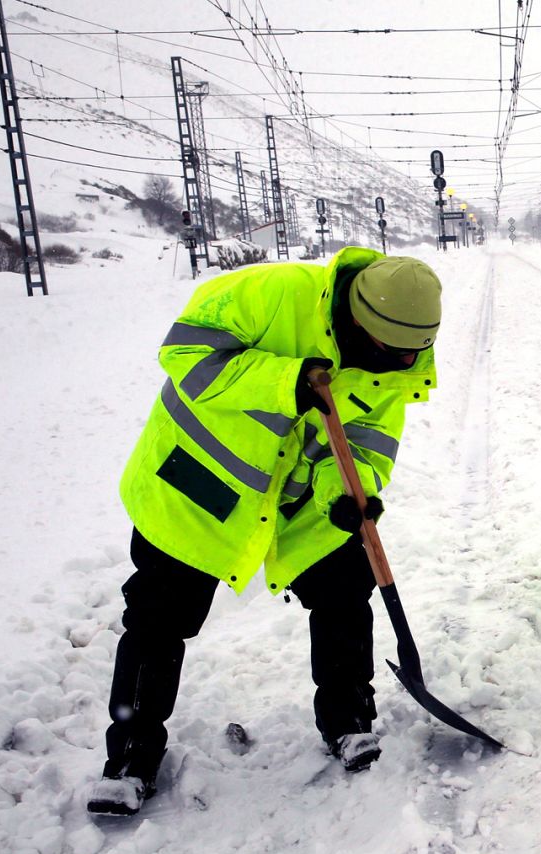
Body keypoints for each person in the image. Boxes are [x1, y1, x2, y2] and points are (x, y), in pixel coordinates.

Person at [87, 249, 442, 816]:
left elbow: (368, 442)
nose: (400, 364)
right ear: (358, 322)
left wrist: (349, 496)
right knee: (158, 617)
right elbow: (185, 352)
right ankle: (130, 757)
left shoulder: (401, 362)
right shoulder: (270, 293)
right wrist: (285, 379)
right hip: (198, 485)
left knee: (346, 592)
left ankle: (348, 720)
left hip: (296, 503)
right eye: (389, 351)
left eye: (411, 353)